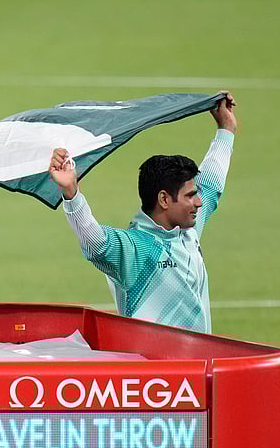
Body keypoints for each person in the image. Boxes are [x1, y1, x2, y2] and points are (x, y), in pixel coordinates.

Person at [47, 93, 238, 333]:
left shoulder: (187, 228)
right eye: (190, 195)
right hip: (150, 358)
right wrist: (71, 193)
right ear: (164, 199)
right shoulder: (135, 249)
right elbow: (95, 242)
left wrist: (226, 129)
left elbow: (211, 184)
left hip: (198, 357)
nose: (199, 202)